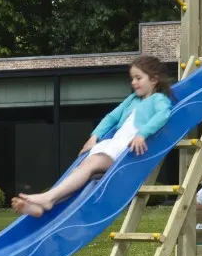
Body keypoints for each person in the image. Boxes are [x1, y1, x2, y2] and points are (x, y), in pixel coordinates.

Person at [11, 56, 173, 217]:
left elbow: (163, 115)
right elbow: (111, 118)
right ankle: (47, 206)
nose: (133, 82)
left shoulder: (158, 99)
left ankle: (48, 198)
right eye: (132, 78)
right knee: (80, 171)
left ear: (154, 79)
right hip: (115, 145)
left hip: (127, 152)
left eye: (138, 78)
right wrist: (94, 137)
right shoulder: (132, 99)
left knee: (88, 166)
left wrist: (142, 134)